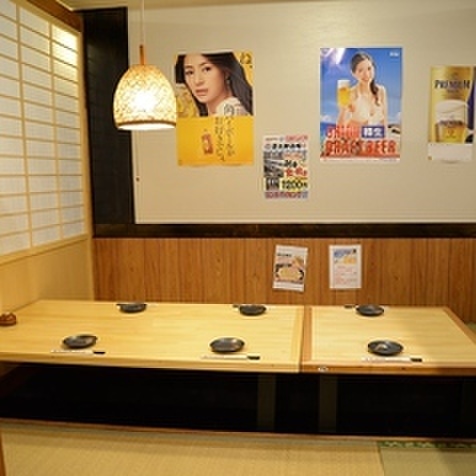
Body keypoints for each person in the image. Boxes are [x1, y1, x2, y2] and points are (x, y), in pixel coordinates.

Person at [175, 52, 253, 117]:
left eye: (207, 69)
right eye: (190, 72)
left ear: (225, 72)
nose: (197, 81)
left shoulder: (231, 110)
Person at [337, 51, 387, 131]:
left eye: (369, 68)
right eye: (360, 70)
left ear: (374, 68)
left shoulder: (381, 91)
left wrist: (385, 137)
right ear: (353, 73)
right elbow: (340, 128)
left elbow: (384, 122)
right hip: (354, 138)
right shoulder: (351, 95)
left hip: (373, 138)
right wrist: (343, 108)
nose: (366, 74)